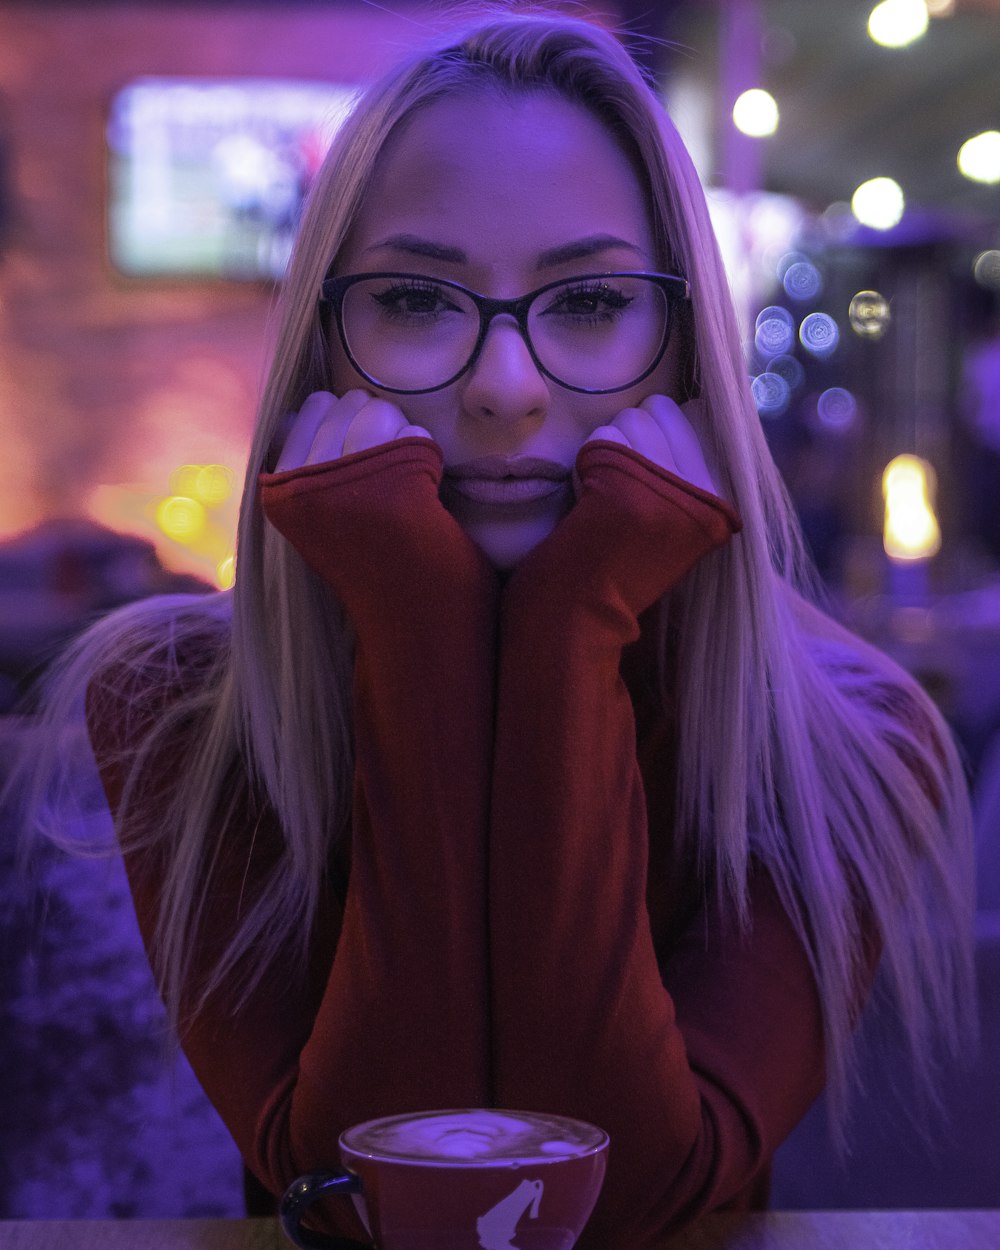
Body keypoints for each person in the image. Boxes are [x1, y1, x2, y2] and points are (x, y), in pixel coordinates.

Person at [21, 6, 975, 1248]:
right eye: (417, 298)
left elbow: (616, 1205)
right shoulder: (175, 703)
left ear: (683, 354)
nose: (506, 389)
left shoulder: (847, 734)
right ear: (323, 347)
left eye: (588, 303)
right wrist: (422, 629)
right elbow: (377, 1205)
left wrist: (567, 631)